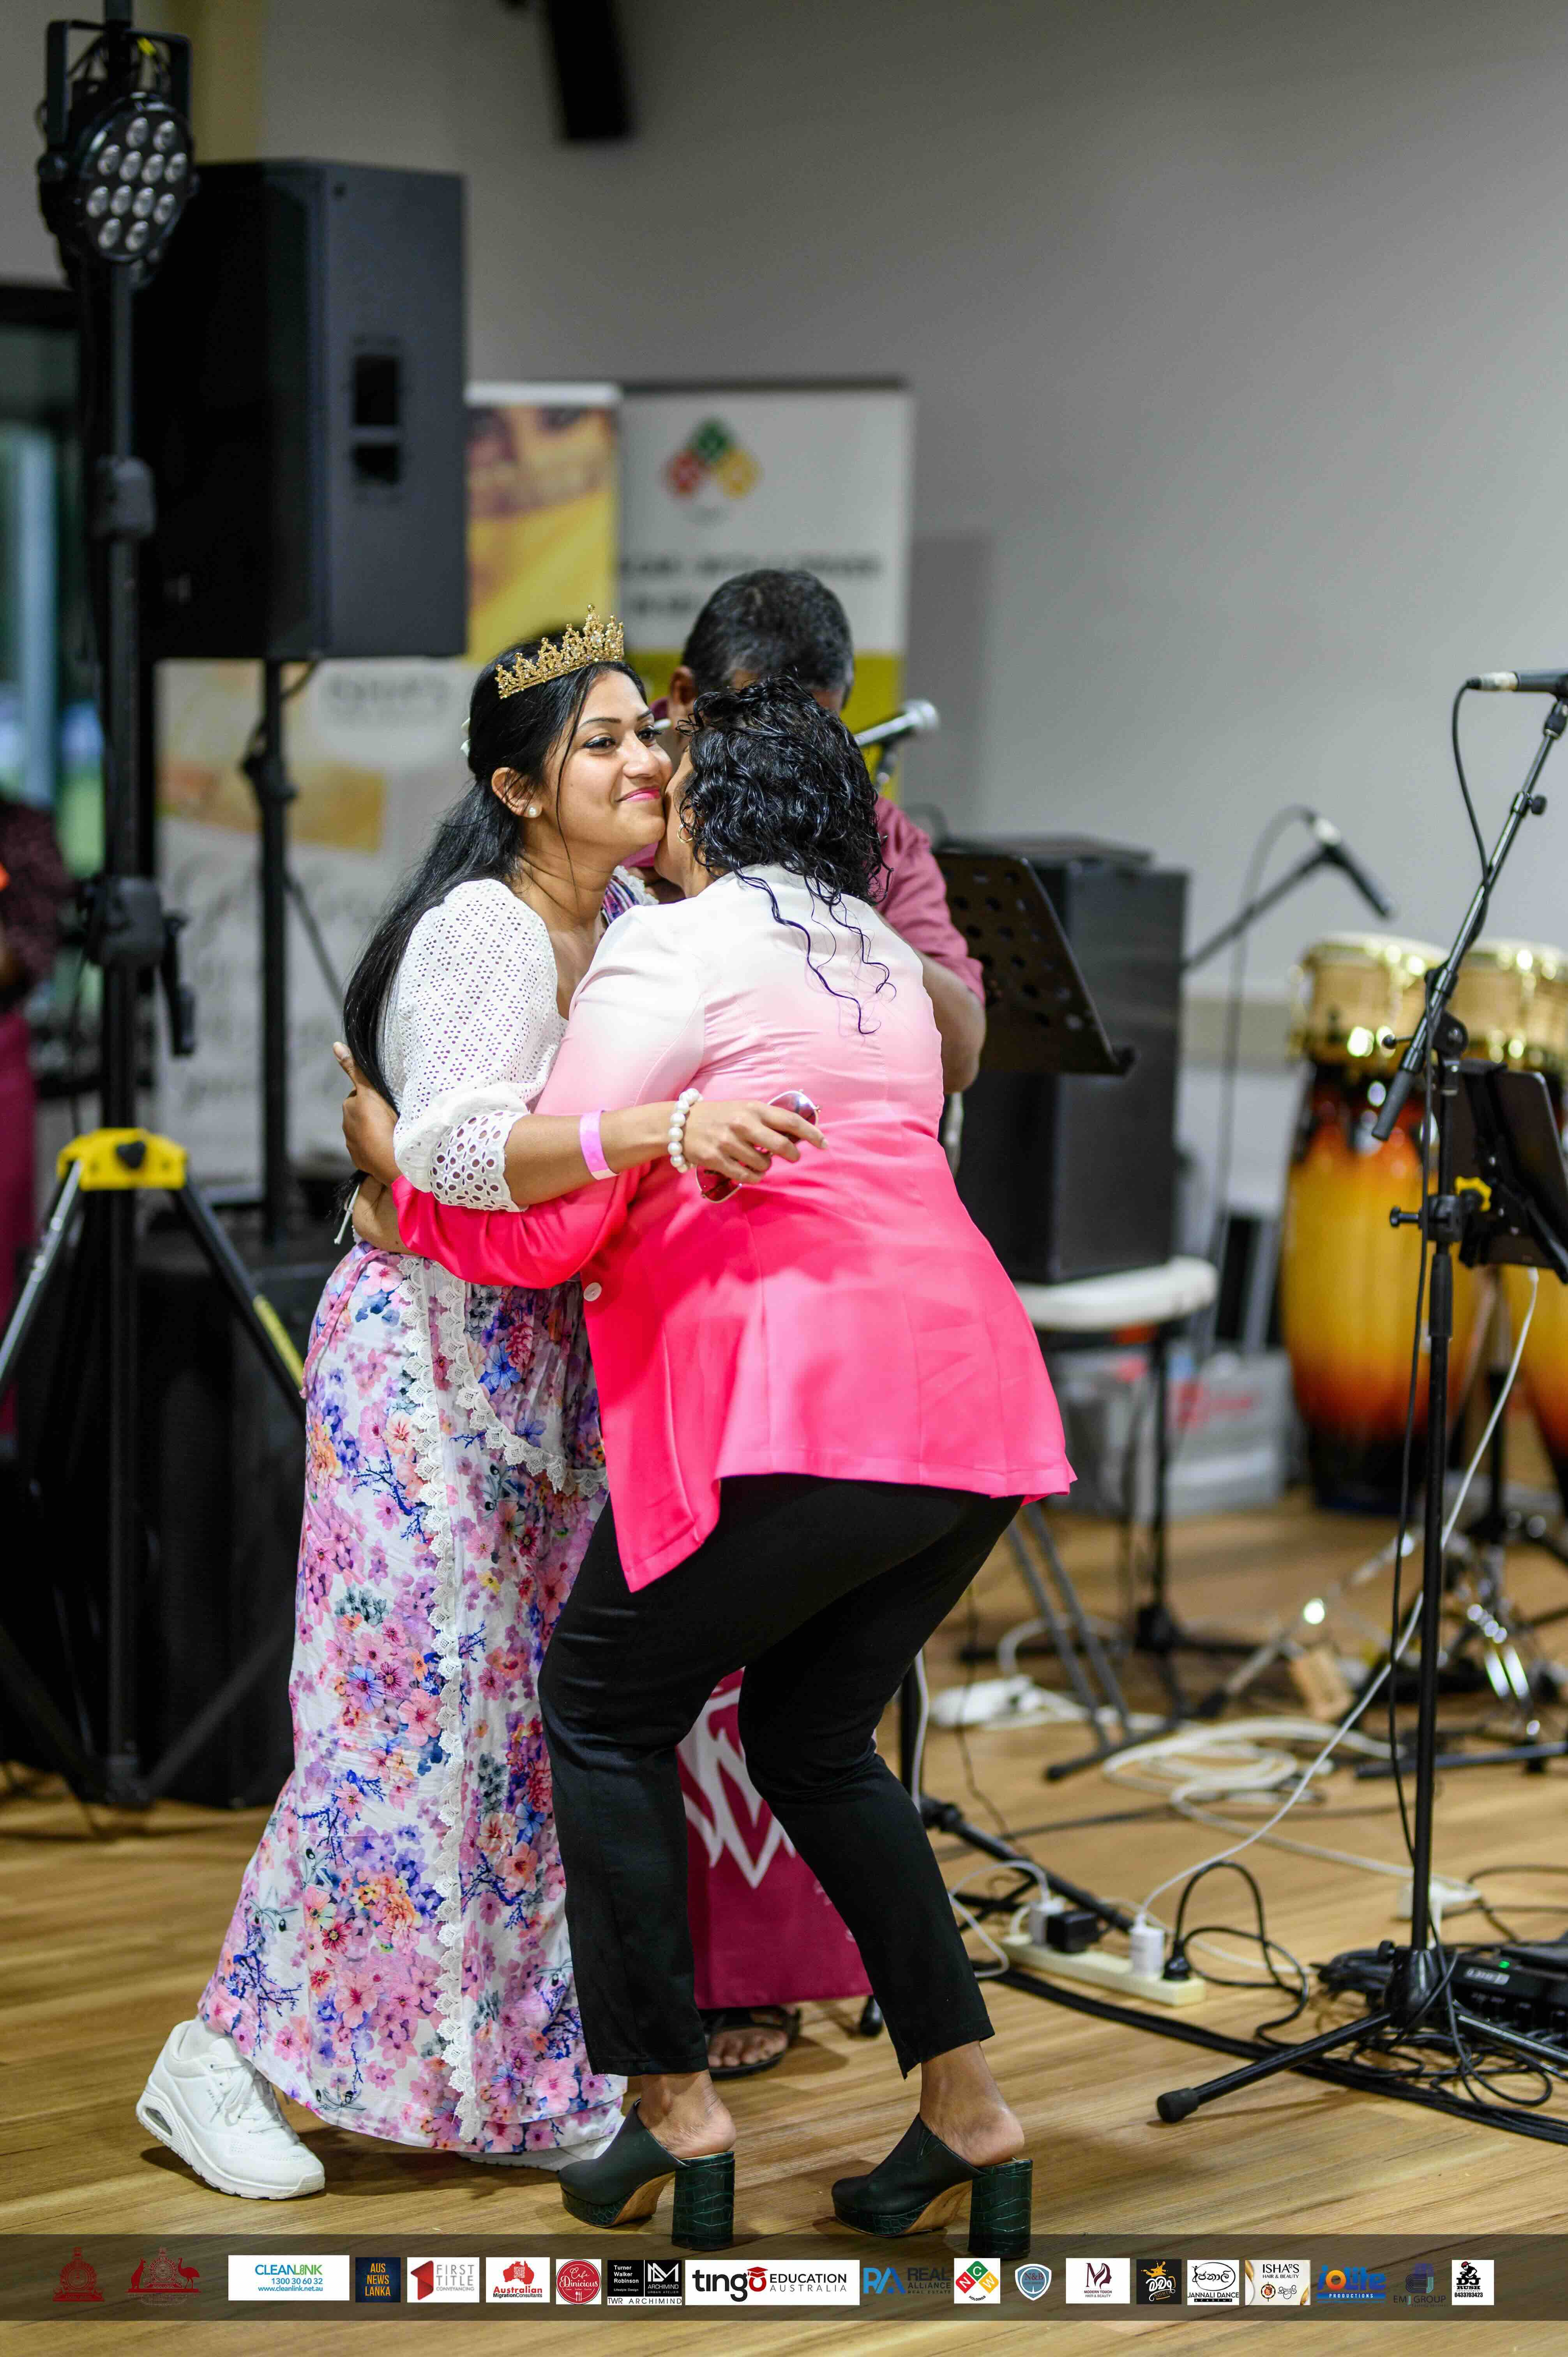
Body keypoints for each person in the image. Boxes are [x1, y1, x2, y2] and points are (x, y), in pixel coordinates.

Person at [349, 679, 1069, 2254]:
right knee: (815, 1740)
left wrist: (397, 1169)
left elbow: (548, 1188)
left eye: (667, 769)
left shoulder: (671, 944)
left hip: (811, 1401)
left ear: (714, 812)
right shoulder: (880, 954)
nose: (644, 786)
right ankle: (969, 2114)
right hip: (976, 1403)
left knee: (601, 1707)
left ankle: (670, 2111)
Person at [135, 617, 818, 2200]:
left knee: (522, 1738)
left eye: (649, 732)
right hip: (424, 1371)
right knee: (396, 1731)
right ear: (518, 789)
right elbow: (443, 1148)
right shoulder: (484, 933)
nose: (646, 760)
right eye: (600, 744)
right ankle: (218, 2061)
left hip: (556, 1367)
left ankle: (512, 2078)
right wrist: (661, 1126)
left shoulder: (644, 914)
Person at [661, 568, 990, 2077]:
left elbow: (965, 1036)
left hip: (818, 1316)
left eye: (793, 726)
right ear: (686, 698)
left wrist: (820, 894)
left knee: (779, 1693)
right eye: (735, 720)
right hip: (658, 1278)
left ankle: (753, 1981)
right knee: (633, 1684)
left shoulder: (878, 839)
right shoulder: (642, 794)